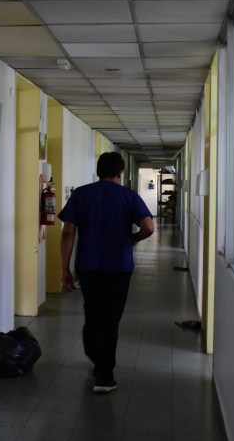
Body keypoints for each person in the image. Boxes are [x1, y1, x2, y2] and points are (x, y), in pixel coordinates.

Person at [58, 152, 155, 394]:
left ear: (98, 170)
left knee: (92, 314)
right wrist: (133, 239)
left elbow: (68, 232)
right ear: (120, 172)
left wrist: (64, 267)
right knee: (110, 320)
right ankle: (104, 376)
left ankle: (95, 355)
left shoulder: (81, 194)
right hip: (118, 267)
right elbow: (149, 227)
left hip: (87, 266)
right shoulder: (129, 196)